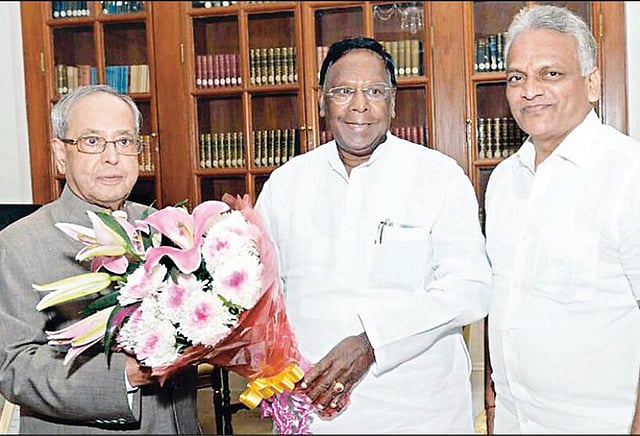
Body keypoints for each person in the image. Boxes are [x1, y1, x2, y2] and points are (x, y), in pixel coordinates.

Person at [254, 36, 491, 433]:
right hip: (312, 414)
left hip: (417, 414)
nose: (359, 106)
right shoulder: (285, 184)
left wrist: (372, 342)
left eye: (375, 91)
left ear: (393, 103)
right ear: (321, 101)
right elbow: (262, 297)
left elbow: (470, 289)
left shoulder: (439, 177)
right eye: (343, 91)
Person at [0, 84, 201, 433]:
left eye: (124, 141)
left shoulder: (166, 228)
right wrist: (124, 376)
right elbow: (13, 367)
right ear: (60, 154)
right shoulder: (18, 244)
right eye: (92, 141)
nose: (112, 157)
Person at [484, 4, 640, 433]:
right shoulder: (503, 181)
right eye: (516, 77)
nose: (529, 91)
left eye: (550, 73)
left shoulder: (628, 175)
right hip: (516, 421)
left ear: (592, 83)